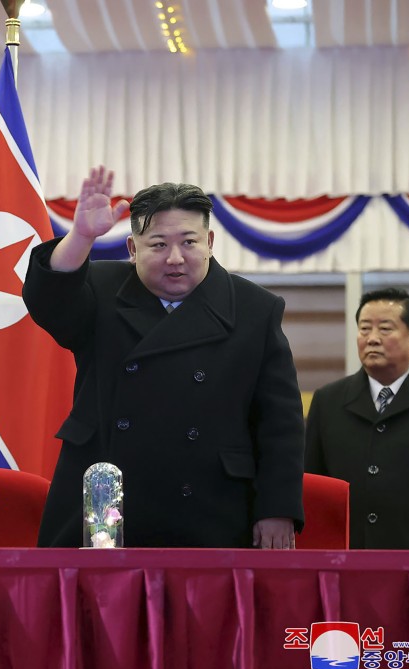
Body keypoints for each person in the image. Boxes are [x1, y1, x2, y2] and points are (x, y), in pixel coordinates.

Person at [23, 166, 304, 549]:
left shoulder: (255, 308)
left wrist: (277, 508)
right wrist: (82, 236)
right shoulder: (100, 290)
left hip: (211, 502)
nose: (175, 258)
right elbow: (48, 301)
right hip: (106, 501)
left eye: (189, 242)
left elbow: (280, 422)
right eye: (158, 245)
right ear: (132, 248)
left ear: (210, 241)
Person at [305, 288, 409, 549]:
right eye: (364, 329)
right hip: (348, 560)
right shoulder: (329, 400)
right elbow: (313, 485)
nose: (372, 339)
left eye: (385, 329)